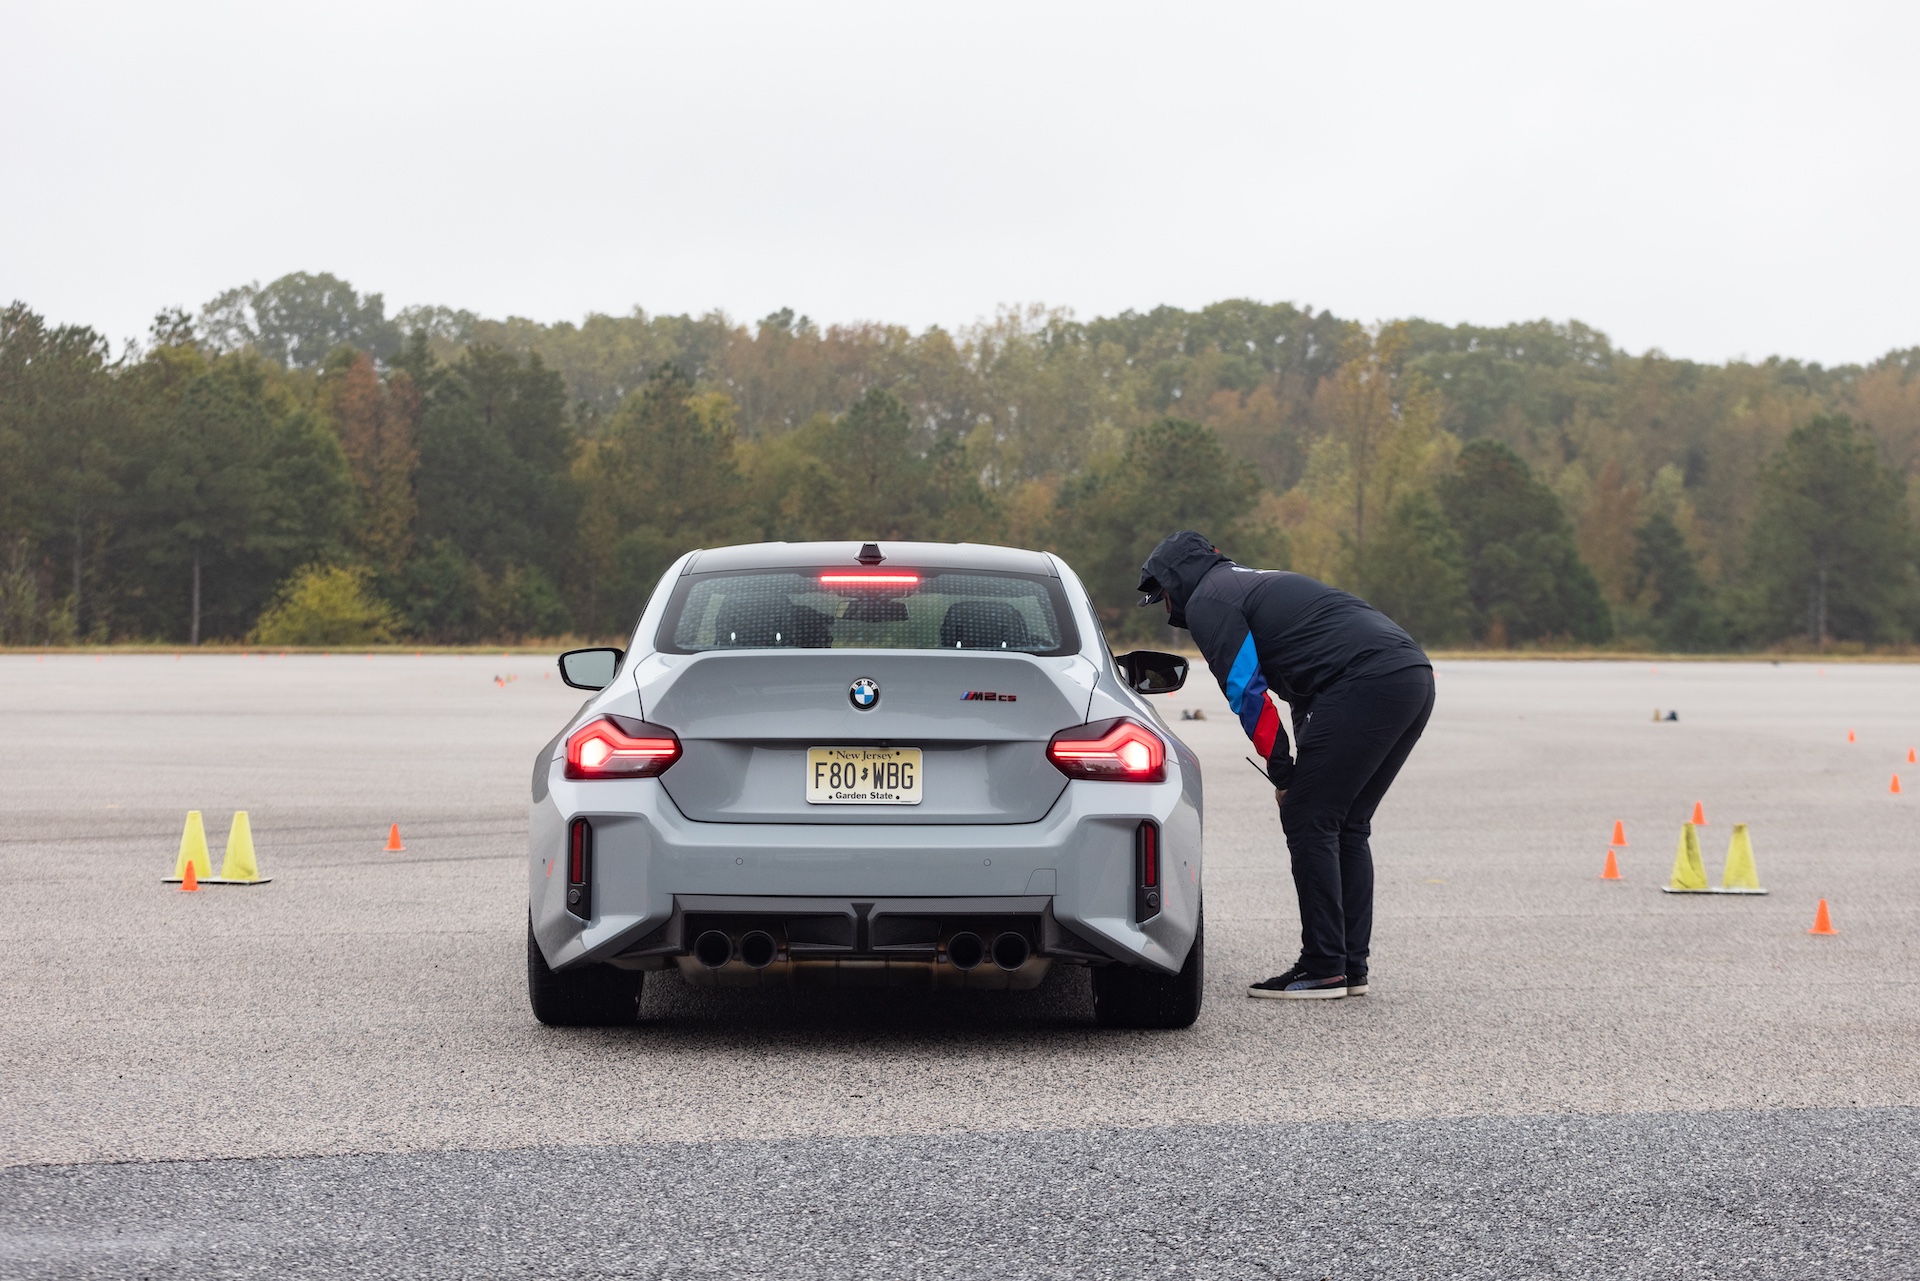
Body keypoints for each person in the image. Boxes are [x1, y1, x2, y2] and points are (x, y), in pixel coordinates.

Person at [1138, 531, 1434, 1000]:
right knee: (1346, 823)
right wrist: (1295, 766)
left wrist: (1283, 774)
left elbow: (1245, 690)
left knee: (1307, 816)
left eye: (1163, 594)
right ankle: (1348, 965)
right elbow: (1303, 690)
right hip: (1409, 676)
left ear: (1175, 580)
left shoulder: (1209, 601)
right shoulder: (1247, 583)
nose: (1166, 606)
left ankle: (1322, 967)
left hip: (1363, 681)